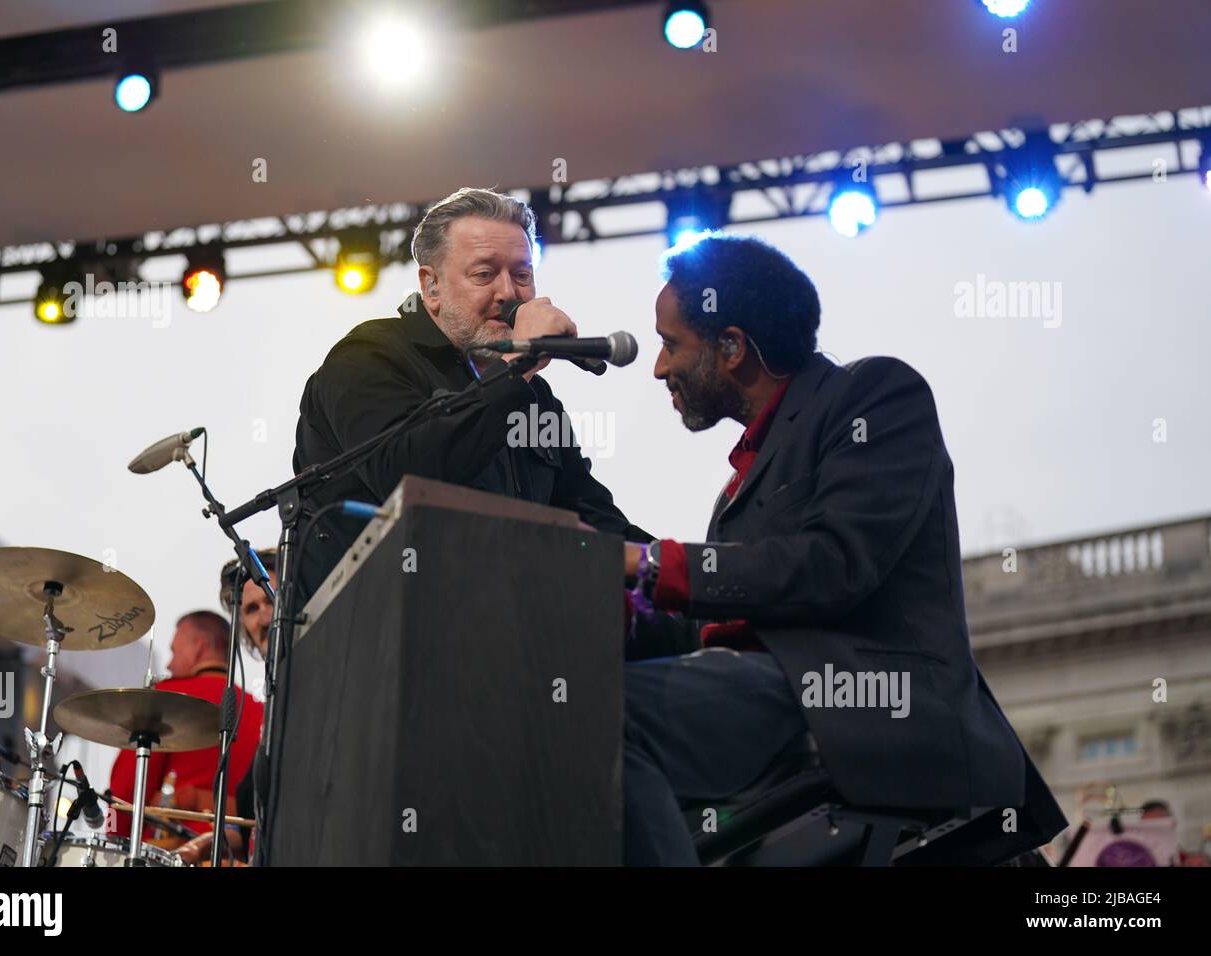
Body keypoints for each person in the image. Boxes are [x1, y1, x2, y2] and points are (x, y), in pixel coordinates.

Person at [619, 232, 1067, 865]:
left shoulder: (875, 395)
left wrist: (653, 564)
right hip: (782, 701)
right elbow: (726, 613)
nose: (659, 367)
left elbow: (833, 564)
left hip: (857, 703)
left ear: (732, 348)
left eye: (671, 344)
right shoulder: (741, 481)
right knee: (577, 713)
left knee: (603, 717)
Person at [292, 186, 649, 604]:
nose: (509, 293)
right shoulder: (368, 358)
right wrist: (517, 370)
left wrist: (684, 571)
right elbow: (409, 476)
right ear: (432, 287)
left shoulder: (534, 396)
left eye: (522, 274)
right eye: (484, 274)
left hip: (498, 627)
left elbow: (587, 514)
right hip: (369, 637)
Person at [107, 610, 264, 844]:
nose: (169, 664)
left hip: (172, 850)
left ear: (199, 647)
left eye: (174, 651)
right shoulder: (261, 713)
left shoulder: (167, 699)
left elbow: (125, 791)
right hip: (237, 853)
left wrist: (114, 838)